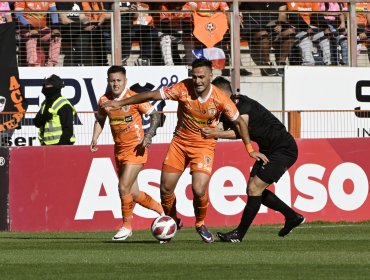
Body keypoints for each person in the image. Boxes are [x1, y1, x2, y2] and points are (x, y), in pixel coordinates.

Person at [102, 58, 267, 243]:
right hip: (179, 144)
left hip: (203, 145)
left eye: (202, 77)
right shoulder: (182, 89)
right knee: (165, 188)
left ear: (210, 77)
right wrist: (121, 102)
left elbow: (239, 123)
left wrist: (249, 148)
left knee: (198, 189)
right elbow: (150, 96)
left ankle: (200, 224)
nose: (197, 81)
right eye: (194, 77)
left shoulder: (220, 98)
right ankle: (172, 221)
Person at [201, 76, 305, 242]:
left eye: (213, 94)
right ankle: (292, 217)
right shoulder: (227, 108)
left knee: (254, 188)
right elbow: (221, 127)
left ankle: (239, 234)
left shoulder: (242, 105)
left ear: (221, 93)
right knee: (254, 190)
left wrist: (215, 134)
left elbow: (241, 131)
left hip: (284, 149)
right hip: (268, 150)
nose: (211, 98)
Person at [91, 65, 164, 241]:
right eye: (112, 81)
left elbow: (156, 115)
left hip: (136, 149)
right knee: (134, 193)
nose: (115, 84)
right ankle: (164, 212)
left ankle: (126, 226)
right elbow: (100, 119)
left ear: (125, 81)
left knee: (122, 187)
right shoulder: (104, 100)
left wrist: (149, 135)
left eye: (119, 80)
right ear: (108, 82)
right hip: (119, 150)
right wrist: (95, 138)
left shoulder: (134, 98)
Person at [240, 2, 295, 76]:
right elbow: (235, 5)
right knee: (263, 34)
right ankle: (267, 63)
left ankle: (281, 63)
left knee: (290, 31)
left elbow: (282, 14)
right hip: (254, 26)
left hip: (273, 26)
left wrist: (280, 24)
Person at [14, 1, 61, 67]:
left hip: (42, 28)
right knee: (32, 37)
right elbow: (18, 14)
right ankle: (33, 65)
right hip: (24, 27)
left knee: (56, 37)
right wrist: (30, 27)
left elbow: (53, 12)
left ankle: (51, 64)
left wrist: (55, 27)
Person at [34, 74, 76, 145]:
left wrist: (60, 147)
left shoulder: (64, 104)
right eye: (44, 85)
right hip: (46, 145)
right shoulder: (45, 103)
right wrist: (44, 117)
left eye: (48, 85)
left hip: (61, 146)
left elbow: (68, 129)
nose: (44, 87)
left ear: (56, 87)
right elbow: (37, 123)